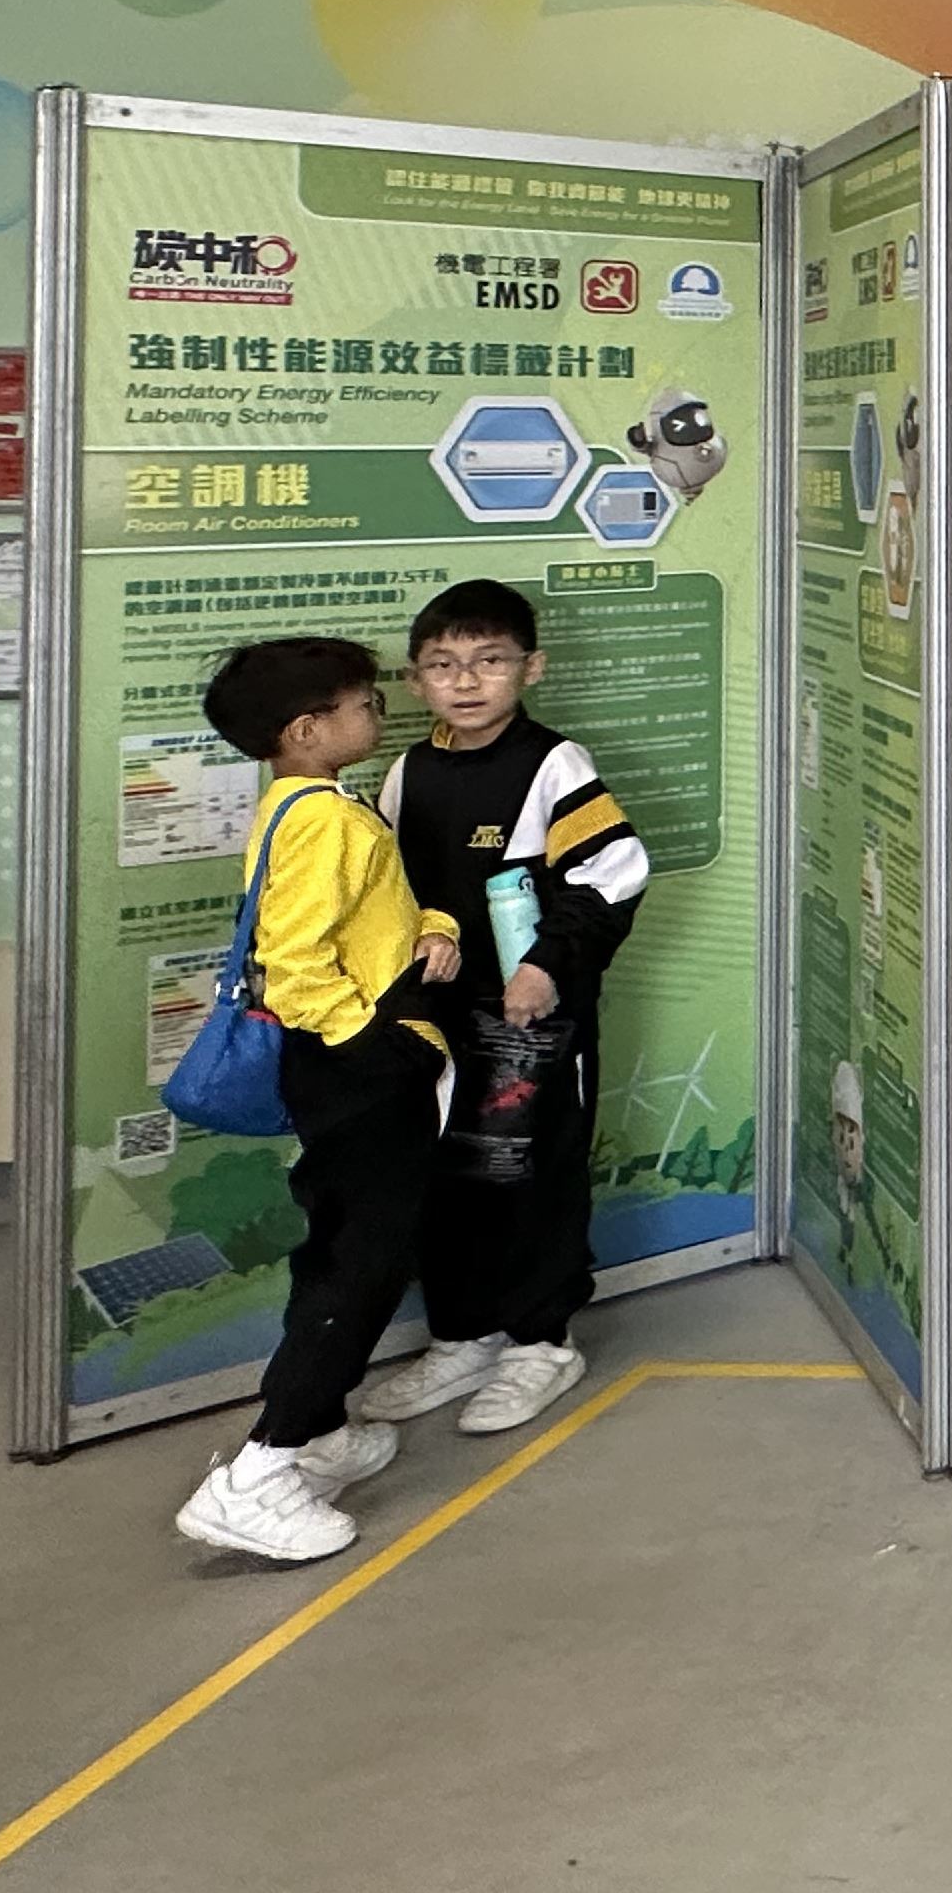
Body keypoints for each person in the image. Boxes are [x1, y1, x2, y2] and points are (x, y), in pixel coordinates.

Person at [173, 639, 458, 1564]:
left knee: (342, 1245)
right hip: (356, 1069)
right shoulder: (325, 821)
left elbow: (358, 921)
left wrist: (432, 928)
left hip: (343, 1063)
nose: (380, 711)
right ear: (306, 730)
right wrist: (377, 1046)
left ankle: (321, 1432)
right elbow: (295, 965)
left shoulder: (300, 805)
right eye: (364, 702)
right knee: (360, 1267)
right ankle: (259, 1473)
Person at [346, 582, 645, 1441]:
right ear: (415, 681)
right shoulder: (408, 771)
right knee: (445, 1174)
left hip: (530, 1022)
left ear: (531, 668)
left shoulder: (555, 764)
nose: (466, 681)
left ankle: (542, 1342)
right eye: (443, 665)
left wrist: (548, 966)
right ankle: (462, 1336)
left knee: (532, 1168)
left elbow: (613, 873)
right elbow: (385, 891)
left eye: (489, 661)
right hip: (434, 1022)